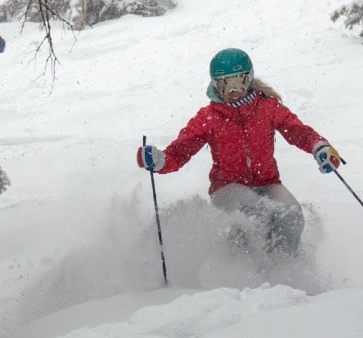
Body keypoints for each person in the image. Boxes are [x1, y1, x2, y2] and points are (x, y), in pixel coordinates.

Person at [136, 48, 343, 255]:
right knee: (253, 213)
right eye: (225, 84)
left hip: (267, 183)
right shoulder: (208, 117)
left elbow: (298, 131)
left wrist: (319, 147)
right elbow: (181, 151)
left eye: (238, 82)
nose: (232, 91)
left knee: (291, 215)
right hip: (227, 187)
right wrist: (160, 160)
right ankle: (244, 271)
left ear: (249, 79)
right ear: (216, 85)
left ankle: (285, 268)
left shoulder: (267, 108)